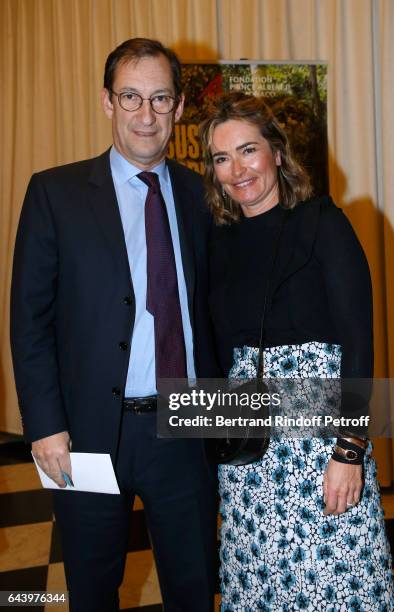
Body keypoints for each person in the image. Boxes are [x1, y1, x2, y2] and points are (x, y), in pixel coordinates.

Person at [11, 38, 218, 612]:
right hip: (86, 437)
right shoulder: (55, 193)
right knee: (93, 590)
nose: (145, 115)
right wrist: (45, 427)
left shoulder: (206, 195)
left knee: (195, 587)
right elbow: (29, 322)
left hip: (187, 426)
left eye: (160, 99)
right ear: (107, 102)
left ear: (178, 108)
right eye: (131, 97)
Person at [200, 92, 394, 611]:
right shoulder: (218, 241)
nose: (237, 169)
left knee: (335, 587)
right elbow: (221, 355)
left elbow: (359, 341)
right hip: (249, 454)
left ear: (278, 154)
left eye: (248, 150)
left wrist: (349, 451)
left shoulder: (322, 223)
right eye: (222, 157)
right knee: (260, 585)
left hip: (321, 449)